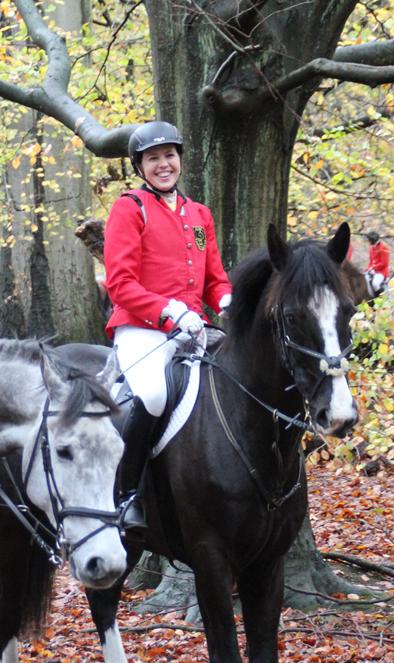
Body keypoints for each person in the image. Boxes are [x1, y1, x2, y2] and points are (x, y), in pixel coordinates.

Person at [103, 120, 232, 538]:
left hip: (195, 329)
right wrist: (169, 313)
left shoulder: (199, 215)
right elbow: (120, 283)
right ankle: (127, 494)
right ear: (140, 167)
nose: (164, 164)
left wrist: (230, 300)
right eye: (153, 158)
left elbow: (215, 279)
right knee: (155, 394)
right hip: (143, 328)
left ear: (180, 159)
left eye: (169, 156)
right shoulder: (130, 208)